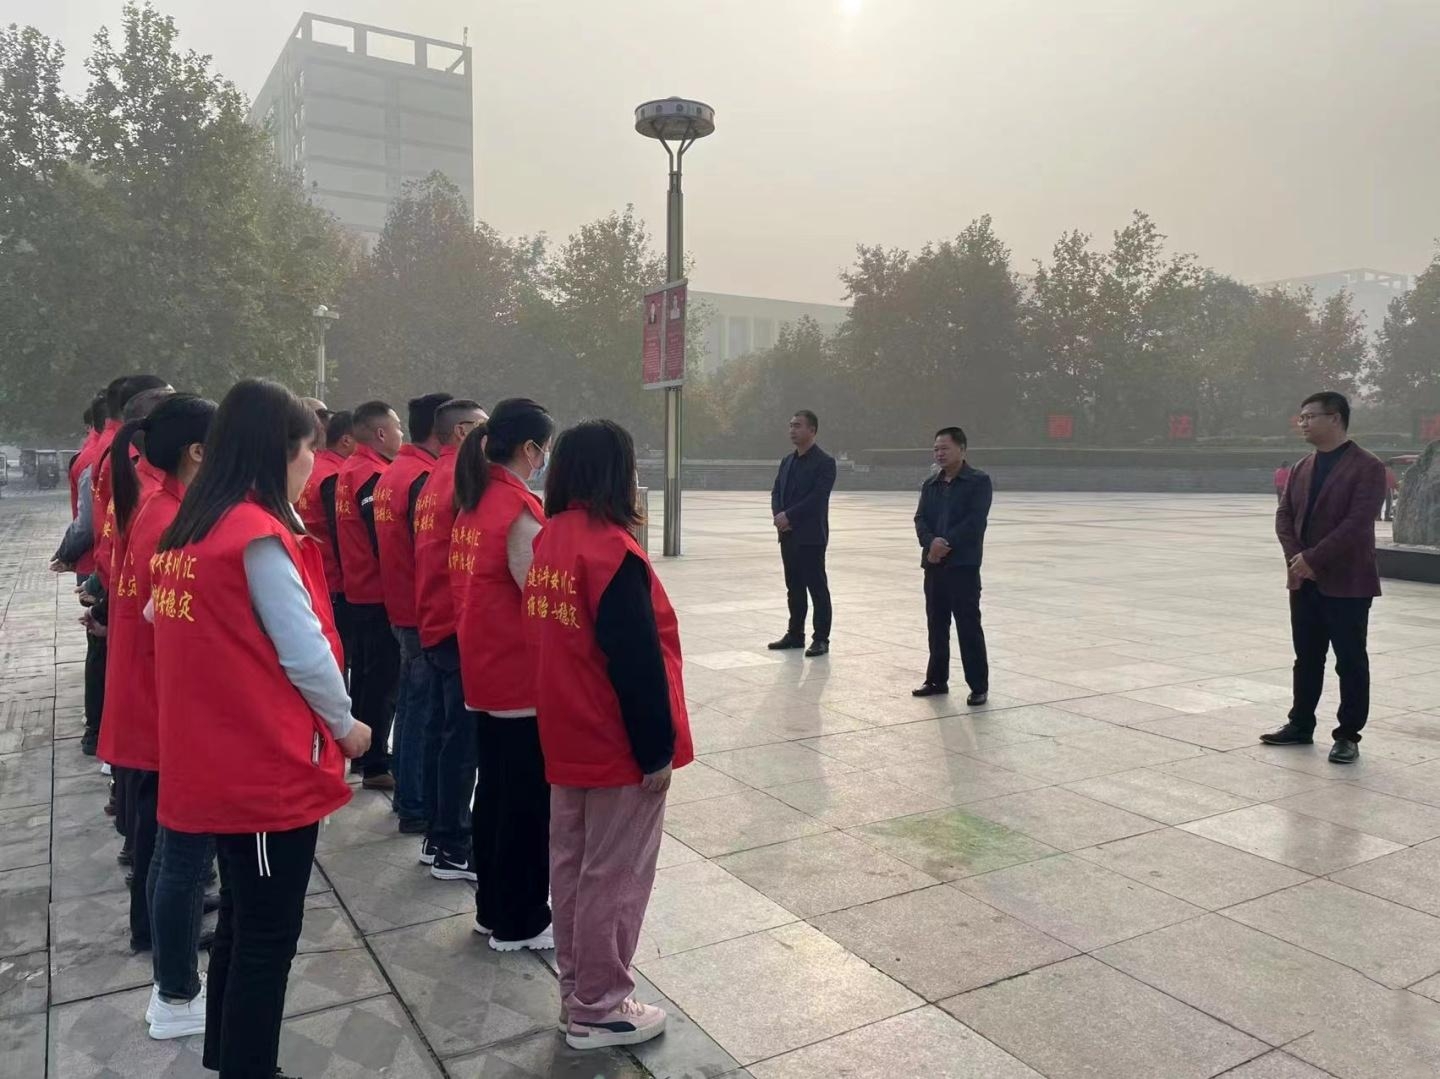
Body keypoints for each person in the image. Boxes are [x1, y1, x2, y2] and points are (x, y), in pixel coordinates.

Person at [151, 378, 371, 1077]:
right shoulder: (256, 537)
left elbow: (160, 617)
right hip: (261, 773)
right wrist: (346, 726)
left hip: (214, 758)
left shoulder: (191, 530)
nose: (313, 464)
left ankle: (230, 1058)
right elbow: (306, 654)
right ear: (280, 452)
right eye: (309, 449)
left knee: (242, 924)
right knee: (267, 936)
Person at [529, 419, 694, 1051]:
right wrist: (656, 752)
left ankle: (578, 994)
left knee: (572, 868)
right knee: (614, 876)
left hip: (566, 734)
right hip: (614, 742)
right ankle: (600, 1008)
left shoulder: (550, 539)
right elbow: (636, 663)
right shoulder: (610, 551)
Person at [92, 393, 217, 1038]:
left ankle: (163, 944)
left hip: (150, 690)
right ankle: (174, 979)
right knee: (172, 848)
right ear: (198, 452)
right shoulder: (171, 518)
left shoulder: (162, 505)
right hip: (160, 697)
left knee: (165, 842)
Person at [452, 398, 554, 946]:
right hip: (519, 680)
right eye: (545, 449)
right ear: (530, 448)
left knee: (493, 794)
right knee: (525, 803)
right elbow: (541, 600)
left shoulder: (475, 501)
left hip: (484, 671)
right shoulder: (517, 510)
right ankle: (521, 919)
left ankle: (491, 907)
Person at [1266, 391, 1386, 764]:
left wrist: (1313, 558)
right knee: (1307, 657)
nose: (1302, 423)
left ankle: (1348, 735)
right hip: (1304, 580)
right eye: (1301, 417)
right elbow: (1284, 516)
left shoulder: (1367, 466)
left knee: (1350, 660)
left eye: (1309, 416)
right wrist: (1297, 559)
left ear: (1335, 418)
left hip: (1348, 582)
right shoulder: (1302, 467)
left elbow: (1358, 523)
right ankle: (1300, 724)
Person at [411, 399, 486, 874]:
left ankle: (436, 835)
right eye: (485, 429)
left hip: (434, 619)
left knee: (440, 733)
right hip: (456, 625)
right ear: (462, 431)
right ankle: (453, 844)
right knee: (460, 742)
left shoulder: (433, 478)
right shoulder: (464, 477)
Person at [375, 392, 451, 834]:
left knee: (409, 704)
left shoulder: (393, 474)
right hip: (422, 611)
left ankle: (407, 794)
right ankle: (415, 803)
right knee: (422, 709)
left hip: (401, 605)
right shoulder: (423, 478)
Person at [336, 400, 405, 789]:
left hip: (358, 588)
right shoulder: (372, 475)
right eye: (397, 427)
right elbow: (382, 538)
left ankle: (365, 754)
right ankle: (376, 761)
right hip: (376, 591)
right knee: (382, 680)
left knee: (365, 676)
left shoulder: (351, 468)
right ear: (381, 433)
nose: (401, 434)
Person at [912, 426, 992, 705]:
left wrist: (943, 544)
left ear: (962, 449)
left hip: (963, 567)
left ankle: (978, 685)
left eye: (945, 448)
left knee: (968, 626)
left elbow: (975, 522)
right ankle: (936, 679)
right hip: (934, 567)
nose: (939, 453)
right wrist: (930, 543)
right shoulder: (930, 484)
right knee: (936, 624)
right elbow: (920, 519)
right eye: (936, 449)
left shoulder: (978, 482)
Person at [767, 410, 837, 657]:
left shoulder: (825, 463)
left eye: (798, 425)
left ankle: (821, 638)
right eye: (791, 425)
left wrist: (789, 516)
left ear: (812, 430)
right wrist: (779, 515)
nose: (792, 430)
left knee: (817, 588)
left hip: (811, 536)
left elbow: (818, 498)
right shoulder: (787, 461)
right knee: (794, 587)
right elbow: (776, 491)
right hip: (787, 535)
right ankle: (795, 634)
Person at [296, 410, 356, 672]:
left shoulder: (313, 469)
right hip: (333, 579)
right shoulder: (334, 476)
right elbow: (341, 534)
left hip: (313, 573)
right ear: (346, 440)